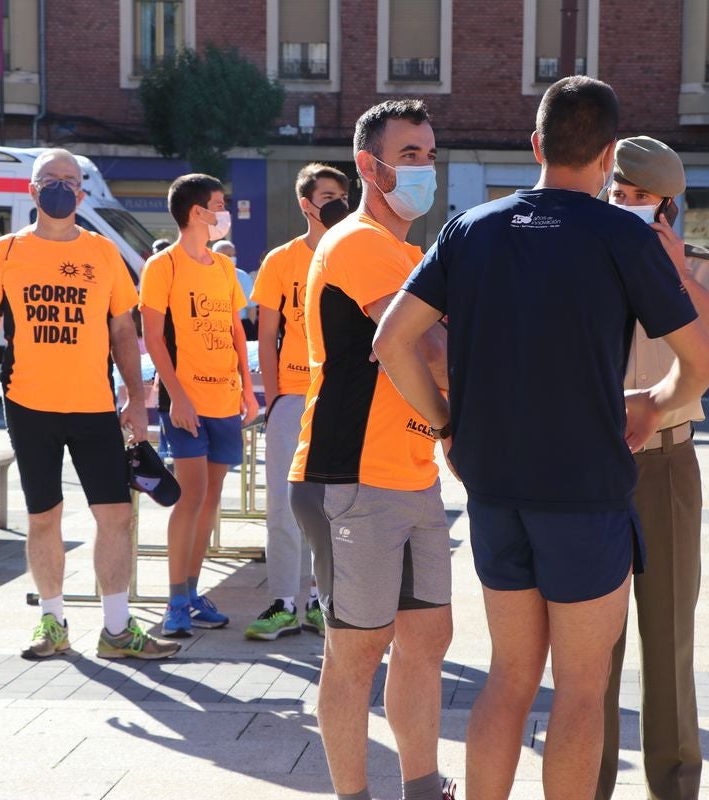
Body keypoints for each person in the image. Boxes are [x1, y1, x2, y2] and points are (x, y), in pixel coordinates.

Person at [373, 77, 709, 799]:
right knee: (582, 690)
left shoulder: (470, 227)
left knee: (508, 675)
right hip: (587, 491)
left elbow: (392, 341)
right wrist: (654, 407)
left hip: (495, 485)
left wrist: (444, 421)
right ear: (609, 156)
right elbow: (704, 363)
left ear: (536, 145)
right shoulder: (623, 232)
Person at [288, 101, 453, 800]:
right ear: (368, 166)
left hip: (411, 477)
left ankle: (421, 789)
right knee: (356, 656)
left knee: (425, 645)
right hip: (349, 477)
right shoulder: (359, 242)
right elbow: (431, 350)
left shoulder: (412, 254)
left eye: (428, 154)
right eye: (409, 155)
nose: (424, 169)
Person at [0, 148, 179, 661]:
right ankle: (52, 622)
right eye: (49, 179)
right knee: (44, 517)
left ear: (81, 194)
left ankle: (118, 630)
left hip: (94, 407)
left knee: (115, 516)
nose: (60, 186)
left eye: (69, 179)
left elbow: (123, 329)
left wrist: (135, 398)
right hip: (28, 404)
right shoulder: (6, 251)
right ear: (31, 191)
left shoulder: (103, 252)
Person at [598, 137, 709, 800]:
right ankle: (589, 782)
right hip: (593, 465)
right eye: (618, 195)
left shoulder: (704, 270)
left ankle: (673, 788)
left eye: (639, 199)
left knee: (667, 640)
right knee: (591, 647)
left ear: (668, 205)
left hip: (666, 463)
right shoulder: (583, 263)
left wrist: (679, 277)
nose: (626, 206)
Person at [140, 174, 259, 638]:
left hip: (226, 400)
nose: (224, 211)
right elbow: (153, 338)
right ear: (196, 213)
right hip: (185, 404)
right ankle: (174, 600)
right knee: (189, 499)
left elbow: (235, 333)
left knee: (211, 499)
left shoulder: (225, 269)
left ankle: (191, 593)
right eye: (218, 204)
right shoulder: (162, 266)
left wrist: (248, 391)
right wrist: (179, 397)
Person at [243, 163, 349, 641]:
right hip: (292, 397)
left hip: (342, 397)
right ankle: (286, 602)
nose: (337, 201)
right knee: (284, 505)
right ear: (307, 204)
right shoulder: (280, 260)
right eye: (327, 194)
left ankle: (330, 604)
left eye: (343, 193)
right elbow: (267, 333)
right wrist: (274, 394)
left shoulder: (354, 253)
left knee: (338, 507)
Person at [213, 240, 258, 340]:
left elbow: (251, 307)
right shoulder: (207, 276)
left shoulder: (243, 276)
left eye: (233, 254)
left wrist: (248, 327)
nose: (232, 258)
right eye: (228, 255)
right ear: (216, 255)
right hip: (215, 327)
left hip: (240, 325)